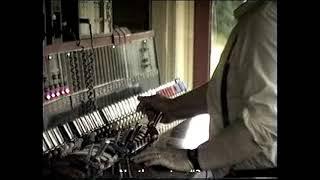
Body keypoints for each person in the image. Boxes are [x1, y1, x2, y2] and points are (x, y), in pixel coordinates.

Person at [132, 0, 277, 178]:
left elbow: (265, 122)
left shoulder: (266, 21)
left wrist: (192, 158)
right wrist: (173, 108)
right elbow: (235, 86)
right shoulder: (260, 17)